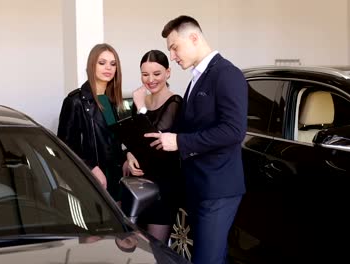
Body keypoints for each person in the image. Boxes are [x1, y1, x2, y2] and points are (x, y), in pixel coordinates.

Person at [144, 16, 248, 264]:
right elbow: (188, 127)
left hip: (218, 187)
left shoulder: (227, 74)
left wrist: (180, 142)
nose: (172, 55)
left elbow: (234, 131)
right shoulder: (197, 77)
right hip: (198, 186)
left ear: (194, 38)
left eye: (174, 47)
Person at [124, 50, 182, 244]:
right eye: (145, 74)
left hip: (163, 186)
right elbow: (133, 140)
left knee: (156, 248)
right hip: (139, 184)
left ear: (168, 73)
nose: (150, 80)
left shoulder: (175, 102)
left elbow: (154, 141)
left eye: (156, 74)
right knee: (136, 247)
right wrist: (129, 155)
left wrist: (141, 108)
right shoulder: (142, 101)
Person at [57, 43, 125, 202]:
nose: (108, 67)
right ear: (91, 65)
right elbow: (64, 146)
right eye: (102, 63)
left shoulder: (113, 102)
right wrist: (91, 167)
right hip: (90, 180)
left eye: (113, 64)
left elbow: (113, 143)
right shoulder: (75, 101)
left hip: (115, 179)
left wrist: (126, 159)